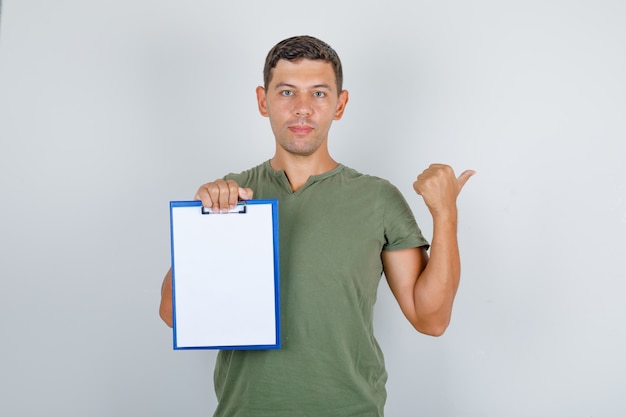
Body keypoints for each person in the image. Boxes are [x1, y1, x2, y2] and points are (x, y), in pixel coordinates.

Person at [159, 35, 474, 417]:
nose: (303, 109)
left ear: (340, 105)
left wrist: (446, 215)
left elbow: (432, 319)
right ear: (263, 101)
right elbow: (174, 313)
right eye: (287, 92)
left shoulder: (377, 198)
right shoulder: (232, 197)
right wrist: (205, 226)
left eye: (319, 94)